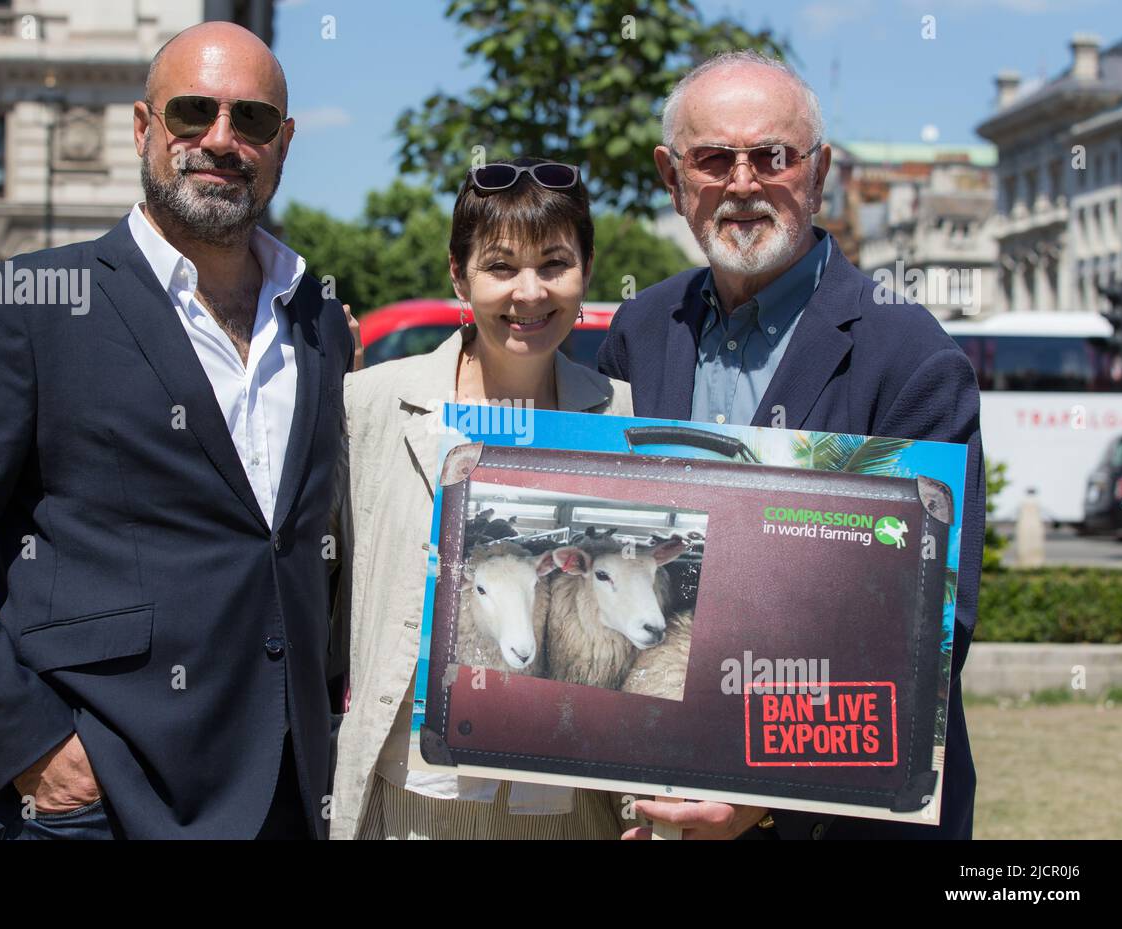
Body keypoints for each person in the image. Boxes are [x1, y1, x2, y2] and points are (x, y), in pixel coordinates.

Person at [0, 22, 353, 839]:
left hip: (291, 794)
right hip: (101, 800)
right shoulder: (33, 304)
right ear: (141, 128)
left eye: (252, 120)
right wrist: (31, 743)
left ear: (283, 142)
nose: (221, 140)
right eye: (193, 113)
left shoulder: (320, 322)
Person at [598, 51, 985, 840]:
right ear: (673, 177)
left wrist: (765, 785)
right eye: (713, 159)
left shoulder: (911, 356)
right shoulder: (641, 330)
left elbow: (931, 623)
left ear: (820, 173)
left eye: (773, 156)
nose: (743, 182)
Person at [331, 157, 633, 839]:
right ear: (458, 275)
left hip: (570, 806)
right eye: (500, 266)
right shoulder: (373, 404)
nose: (529, 292)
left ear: (586, 269)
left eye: (555, 263)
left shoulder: (624, 416)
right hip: (415, 799)